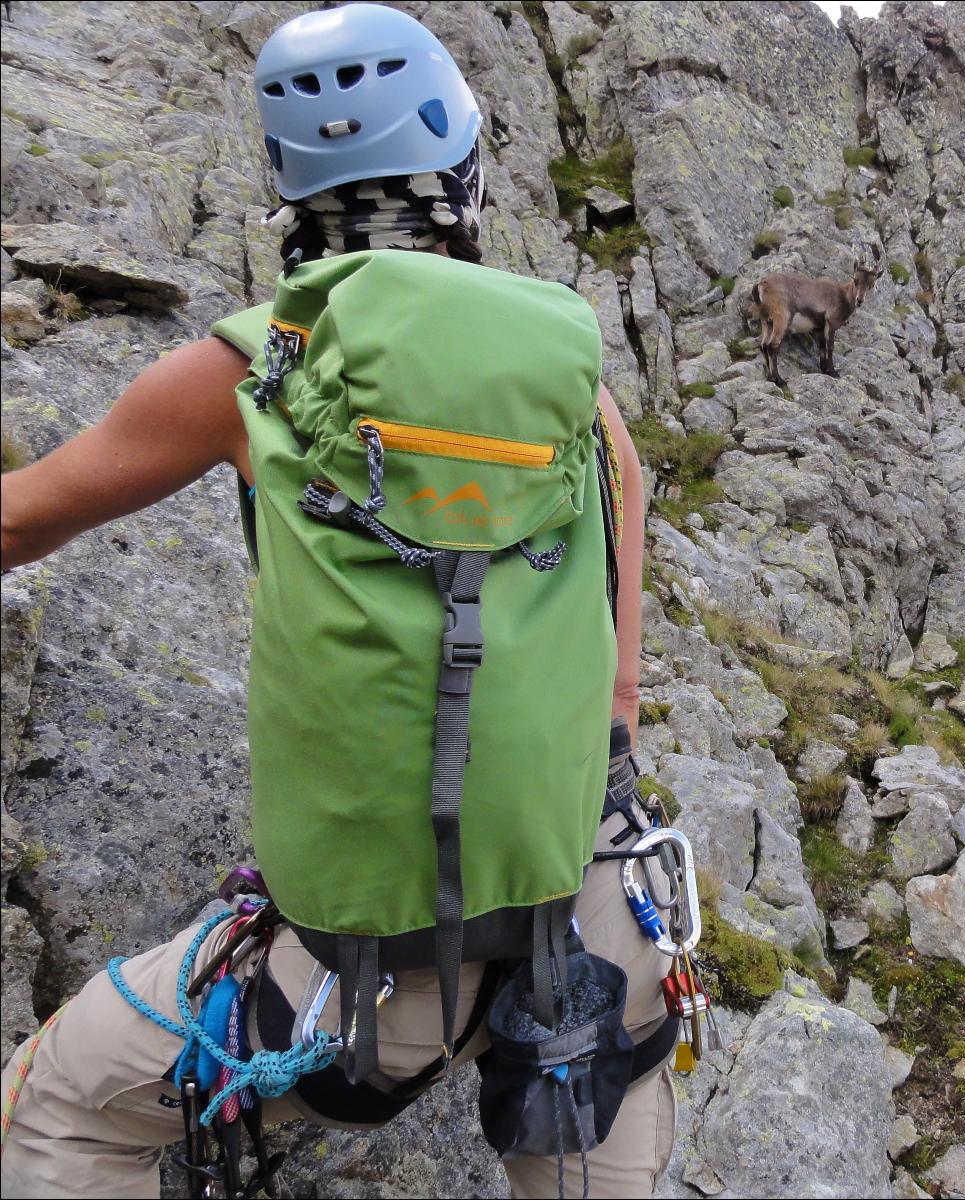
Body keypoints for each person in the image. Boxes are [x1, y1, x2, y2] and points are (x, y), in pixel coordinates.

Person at [0, 5, 678, 1197]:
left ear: (288, 193)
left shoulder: (247, 369)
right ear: (462, 170)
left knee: (63, 1105)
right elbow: (616, 697)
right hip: (595, 943)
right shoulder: (582, 399)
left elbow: (18, 521)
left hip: (364, 981)